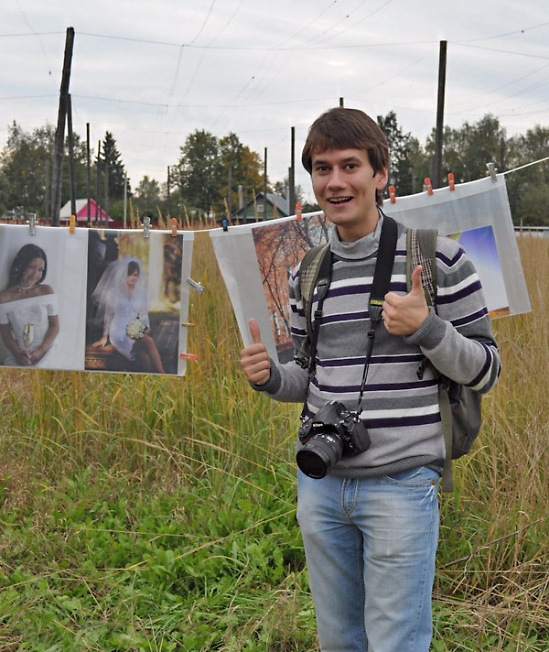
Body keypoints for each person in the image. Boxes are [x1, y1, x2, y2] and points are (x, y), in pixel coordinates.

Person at [239, 107, 501, 652]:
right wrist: (269, 378)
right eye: (322, 168)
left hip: (403, 486)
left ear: (380, 175)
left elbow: (487, 368)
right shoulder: (306, 273)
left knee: (397, 641)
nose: (335, 182)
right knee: (338, 640)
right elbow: (311, 378)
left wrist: (426, 327)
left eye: (350, 166)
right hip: (322, 481)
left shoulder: (439, 259)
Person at [91, 256, 165, 374]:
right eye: (129, 274)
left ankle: (150, 380)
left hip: (134, 330)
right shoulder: (114, 293)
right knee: (149, 341)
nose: (132, 278)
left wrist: (146, 327)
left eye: (135, 275)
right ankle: (161, 372)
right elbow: (109, 315)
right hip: (118, 332)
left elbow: (143, 315)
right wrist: (104, 336)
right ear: (123, 275)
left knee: (144, 357)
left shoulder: (141, 294)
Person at [0, 243, 60, 367]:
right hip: (21, 356)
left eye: (40, 270)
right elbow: (5, 333)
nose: (35, 274)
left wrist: (40, 351)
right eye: (31, 267)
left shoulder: (47, 291)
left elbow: (54, 326)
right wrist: (17, 355)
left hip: (47, 352)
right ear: (20, 265)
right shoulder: (4, 297)